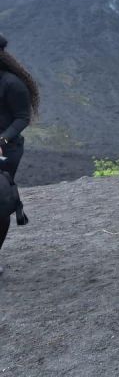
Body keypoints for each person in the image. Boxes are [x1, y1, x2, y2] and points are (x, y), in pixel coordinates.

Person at [0, 33, 39, 275]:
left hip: (7, 149)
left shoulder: (11, 84)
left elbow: (22, 118)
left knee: (0, 203)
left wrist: (2, 139)